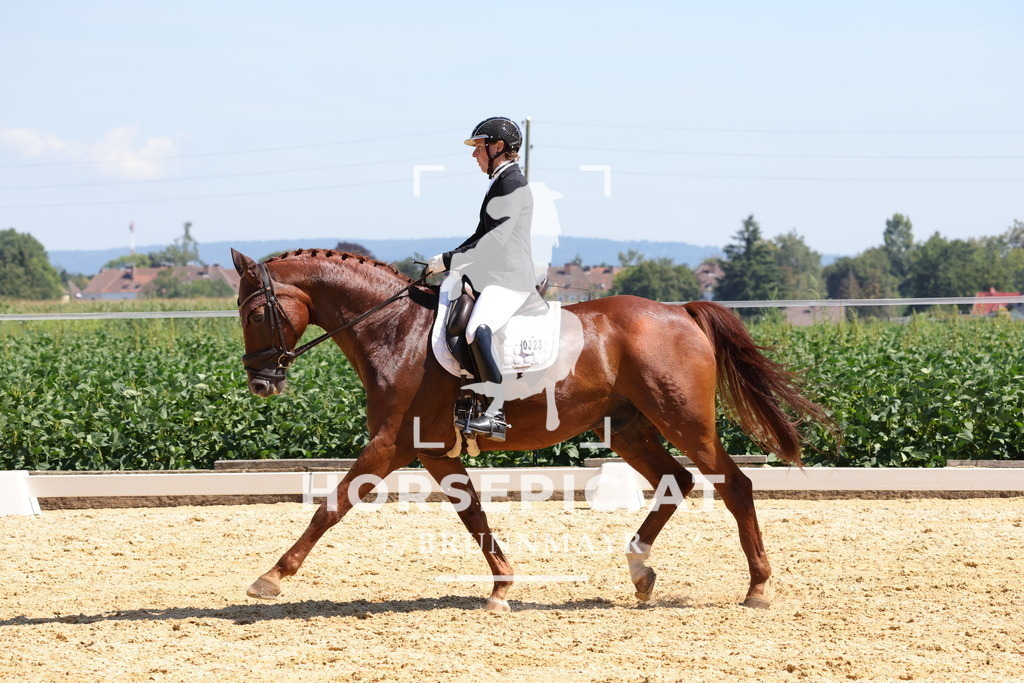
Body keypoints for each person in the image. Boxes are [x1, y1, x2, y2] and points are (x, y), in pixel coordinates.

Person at [425, 116, 539, 440]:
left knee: (477, 328)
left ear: (498, 146)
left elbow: (496, 240)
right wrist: (448, 260)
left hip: (511, 279)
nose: (474, 154)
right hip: (495, 276)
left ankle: (496, 414)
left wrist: (450, 260)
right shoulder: (500, 181)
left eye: (478, 147)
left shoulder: (511, 183)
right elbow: (479, 235)